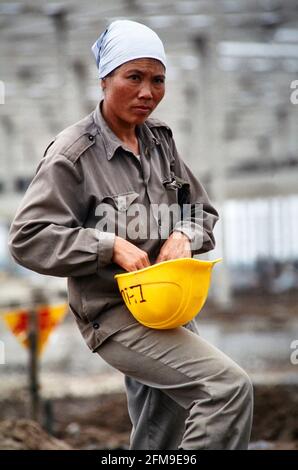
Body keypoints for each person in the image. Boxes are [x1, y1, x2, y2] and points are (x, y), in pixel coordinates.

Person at [8, 19, 253, 450]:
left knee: (159, 437)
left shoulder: (160, 141)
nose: (148, 92)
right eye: (133, 77)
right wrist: (108, 246)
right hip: (115, 317)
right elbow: (28, 237)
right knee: (226, 389)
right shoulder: (73, 155)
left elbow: (201, 210)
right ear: (104, 80)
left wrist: (184, 233)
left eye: (158, 80)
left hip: (169, 307)